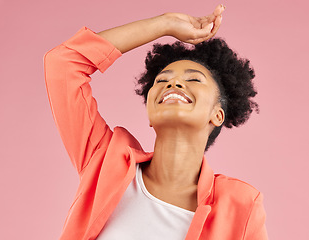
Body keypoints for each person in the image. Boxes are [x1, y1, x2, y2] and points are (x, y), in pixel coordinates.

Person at [44, 4, 268, 240]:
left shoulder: (239, 205)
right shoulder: (105, 160)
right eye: (162, 81)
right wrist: (165, 24)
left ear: (217, 114)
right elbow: (62, 64)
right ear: (151, 112)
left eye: (193, 79)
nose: (173, 84)